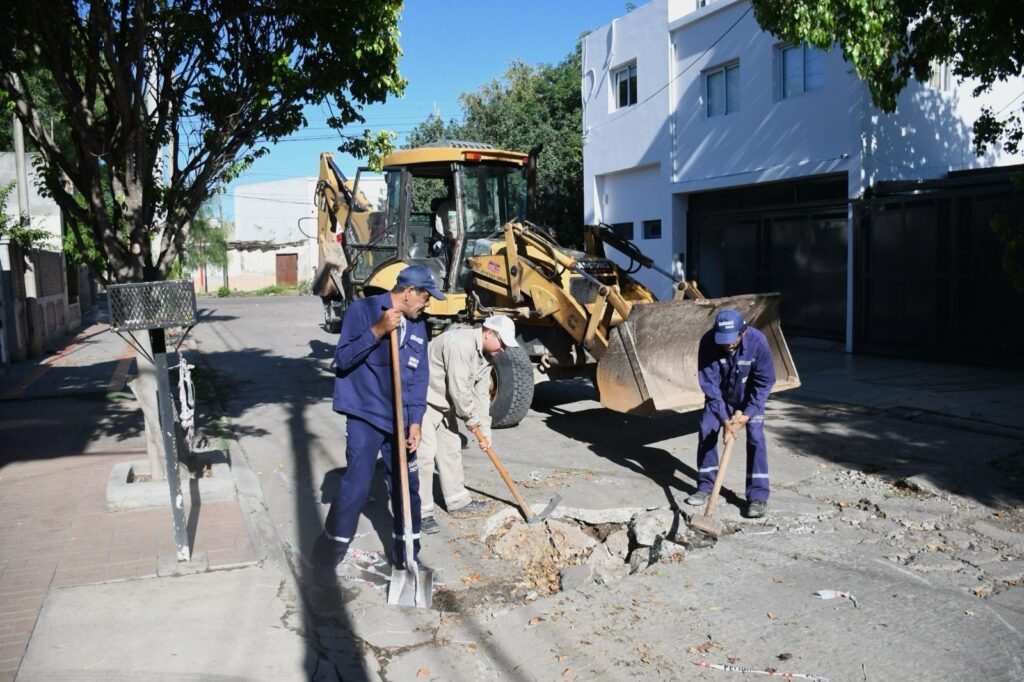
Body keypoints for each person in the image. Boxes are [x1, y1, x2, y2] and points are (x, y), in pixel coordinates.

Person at [313, 264, 446, 585]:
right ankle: (328, 554)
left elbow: (418, 380)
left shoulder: (418, 327)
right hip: (365, 414)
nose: (429, 303)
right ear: (409, 292)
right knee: (356, 485)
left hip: (400, 419)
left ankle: (408, 555)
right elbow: (342, 360)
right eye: (426, 296)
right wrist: (378, 330)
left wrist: (415, 423)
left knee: (407, 487)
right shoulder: (364, 310)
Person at [416, 315, 519, 534]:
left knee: (451, 449)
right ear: (489, 333)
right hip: (422, 399)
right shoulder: (460, 344)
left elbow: (481, 395)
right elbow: (459, 389)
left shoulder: (485, 357)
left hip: (444, 404)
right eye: (502, 342)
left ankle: (457, 501)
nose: (503, 349)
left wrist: (485, 431)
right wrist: (471, 421)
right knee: (425, 456)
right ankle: (421, 512)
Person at [685, 309, 776, 519]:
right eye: (722, 340)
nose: (727, 344)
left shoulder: (758, 343)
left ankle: (758, 496)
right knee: (707, 429)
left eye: (731, 339)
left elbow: (764, 383)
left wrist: (747, 414)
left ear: (742, 331)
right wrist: (725, 421)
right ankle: (706, 486)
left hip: (750, 398)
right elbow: (709, 384)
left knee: (756, 437)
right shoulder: (709, 342)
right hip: (720, 398)